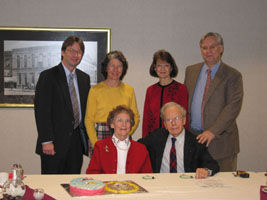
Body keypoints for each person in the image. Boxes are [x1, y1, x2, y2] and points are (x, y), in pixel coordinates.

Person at [184, 32, 243, 171]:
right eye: (204, 48)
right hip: (195, 140)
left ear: (221, 48)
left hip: (221, 143)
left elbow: (232, 107)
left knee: (224, 187)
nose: (208, 51)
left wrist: (212, 131)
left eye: (212, 47)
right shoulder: (191, 71)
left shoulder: (232, 75)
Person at [34, 36, 91, 174]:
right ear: (62, 52)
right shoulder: (48, 76)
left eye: (79, 52)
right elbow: (42, 111)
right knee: (51, 186)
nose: (75, 55)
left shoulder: (84, 79)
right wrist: (46, 140)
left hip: (76, 145)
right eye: (71, 50)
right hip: (53, 143)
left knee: (72, 186)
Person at [139, 102, 219, 178]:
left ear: (184, 120)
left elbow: (212, 164)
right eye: (169, 120)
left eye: (176, 118)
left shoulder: (195, 141)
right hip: (161, 183)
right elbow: (137, 145)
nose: (173, 123)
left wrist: (205, 170)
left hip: (186, 184)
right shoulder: (157, 136)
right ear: (165, 124)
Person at [85, 50, 139, 156]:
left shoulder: (129, 90)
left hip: (123, 134)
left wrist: (126, 132)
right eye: (112, 66)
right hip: (100, 135)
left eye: (119, 66)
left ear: (123, 69)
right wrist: (96, 143)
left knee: (122, 170)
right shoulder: (95, 90)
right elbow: (88, 119)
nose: (115, 70)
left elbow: (135, 117)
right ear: (106, 68)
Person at [86, 105, 152, 174]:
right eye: (120, 120)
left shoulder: (141, 149)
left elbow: (147, 177)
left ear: (131, 125)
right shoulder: (100, 146)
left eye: (127, 121)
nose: (124, 124)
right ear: (112, 124)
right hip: (106, 184)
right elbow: (92, 173)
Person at [142, 50, 188, 138]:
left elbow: (185, 118)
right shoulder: (150, 90)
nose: (162, 69)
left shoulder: (181, 89)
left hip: (174, 137)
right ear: (155, 68)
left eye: (166, 65)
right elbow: (146, 120)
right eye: (159, 66)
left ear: (171, 68)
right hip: (154, 139)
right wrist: (145, 140)